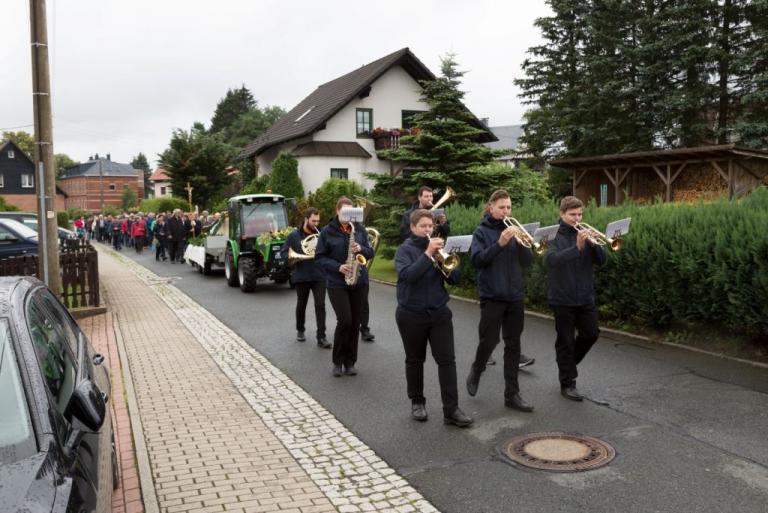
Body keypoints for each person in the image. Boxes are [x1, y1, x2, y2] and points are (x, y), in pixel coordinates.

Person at [395, 209, 473, 427]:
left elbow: (456, 279)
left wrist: (447, 262)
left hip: (439, 312)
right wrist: (427, 255)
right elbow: (408, 276)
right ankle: (417, 402)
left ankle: (451, 410)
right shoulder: (404, 250)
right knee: (415, 360)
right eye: (423, 226)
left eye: (430, 226)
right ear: (413, 228)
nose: (428, 229)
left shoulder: (440, 249)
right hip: (411, 313)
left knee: (447, 361)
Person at [465, 189, 535, 412]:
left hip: (515, 295)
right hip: (492, 295)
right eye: (502, 207)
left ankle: (512, 394)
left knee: (513, 344)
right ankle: (477, 368)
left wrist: (524, 243)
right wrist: (499, 244)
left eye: (509, 207)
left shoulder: (514, 229)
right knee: (489, 340)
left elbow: (528, 262)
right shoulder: (481, 232)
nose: (506, 211)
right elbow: (477, 260)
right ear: (491, 208)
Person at [544, 196, 606, 401]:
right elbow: (552, 260)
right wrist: (577, 248)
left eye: (580, 214)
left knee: (592, 333)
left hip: (585, 295)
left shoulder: (585, 233)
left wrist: (595, 245)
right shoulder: (552, 235)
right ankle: (568, 383)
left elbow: (602, 261)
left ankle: (567, 364)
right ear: (562, 214)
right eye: (572, 215)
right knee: (565, 341)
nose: (577, 218)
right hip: (562, 297)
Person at [315, 197, 374, 377]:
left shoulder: (360, 229)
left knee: (355, 323)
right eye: (345, 212)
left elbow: (370, 252)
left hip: (359, 281)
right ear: (337, 211)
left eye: (351, 213)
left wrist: (361, 248)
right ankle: (337, 361)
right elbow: (319, 258)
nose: (348, 216)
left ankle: (350, 362)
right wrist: (338, 267)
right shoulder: (327, 232)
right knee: (345, 320)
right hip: (337, 283)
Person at [281, 207, 330, 348]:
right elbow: (285, 255)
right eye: (313, 221)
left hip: (319, 275)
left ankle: (321, 336)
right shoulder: (293, 236)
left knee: (320, 305)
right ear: (306, 219)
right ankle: (300, 330)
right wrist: (295, 259)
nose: (316, 224)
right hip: (301, 275)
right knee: (301, 304)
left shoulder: (321, 235)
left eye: (318, 221)